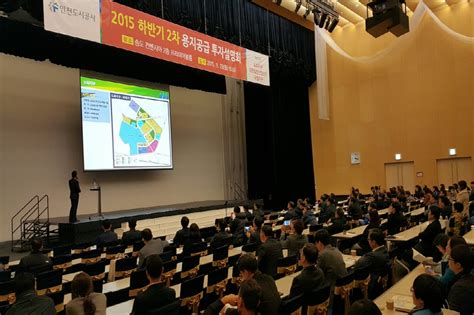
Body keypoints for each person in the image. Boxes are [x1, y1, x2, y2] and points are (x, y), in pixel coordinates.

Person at [352, 229, 390, 298]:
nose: (368, 241)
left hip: (371, 286)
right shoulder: (385, 250)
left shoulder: (371, 256)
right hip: (379, 284)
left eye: (368, 239)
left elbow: (358, 265)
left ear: (374, 242)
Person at [447, 244, 474, 315]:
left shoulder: (459, 288)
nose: (448, 260)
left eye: (450, 258)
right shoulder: (470, 276)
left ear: (458, 265)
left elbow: (453, 313)